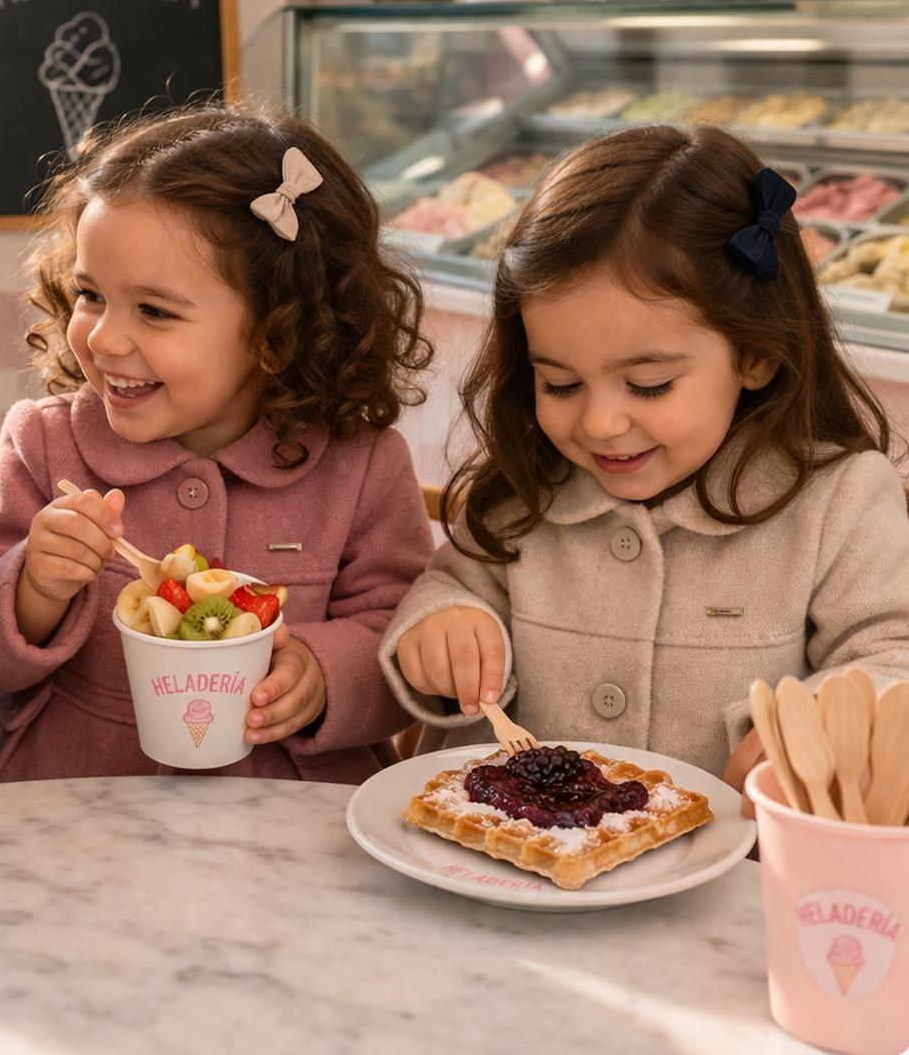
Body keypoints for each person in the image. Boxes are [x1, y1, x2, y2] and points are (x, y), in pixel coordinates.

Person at [381, 124, 909, 792]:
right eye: (561, 384)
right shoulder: (529, 483)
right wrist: (441, 626)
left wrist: (829, 724)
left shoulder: (838, 499)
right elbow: (454, 588)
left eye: (650, 384)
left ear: (756, 352)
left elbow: (893, 654)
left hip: (731, 878)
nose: (600, 424)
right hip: (516, 871)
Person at [0, 103, 435, 782]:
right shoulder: (44, 444)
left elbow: (405, 639)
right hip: (72, 827)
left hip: (287, 843)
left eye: (155, 311)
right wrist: (34, 583)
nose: (106, 338)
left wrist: (322, 674)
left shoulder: (361, 467)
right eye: (90, 295)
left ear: (276, 329)